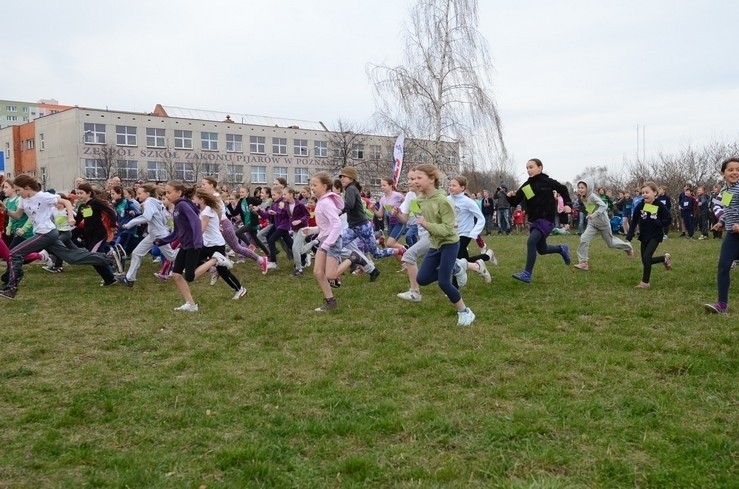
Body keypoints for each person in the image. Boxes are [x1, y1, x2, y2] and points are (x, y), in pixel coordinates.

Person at [0, 174, 118, 300]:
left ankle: (11, 287)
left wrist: (71, 217)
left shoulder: (43, 196)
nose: (17, 193)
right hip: (43, 233)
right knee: (71, 258)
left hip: (46, 233)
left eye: (19, 190)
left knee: (14, 253)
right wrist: (4, 209)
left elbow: (66, 201)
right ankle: (109, 257)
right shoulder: (24, 200)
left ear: (27, 187)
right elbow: (17, 215)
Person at [412, 164, 475, 326]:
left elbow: (448, 229)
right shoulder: (420, 199)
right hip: (435, 244)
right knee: (422, 278)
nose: (415, 181)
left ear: (432, 179)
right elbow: (411, 218)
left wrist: (427, 225)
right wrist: (399, 215)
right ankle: (458, 267)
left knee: (444, 282)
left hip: (450, 243)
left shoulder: (442, 201)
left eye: (419, 178)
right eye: (414, 178)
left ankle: (465, 312)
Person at [506, 158, 572, 284]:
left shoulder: (547, 181)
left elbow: (563, 189)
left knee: (531, 241)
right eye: (527, 168)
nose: (528, 170)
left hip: (546, 219)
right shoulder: (527, 185)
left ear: (540, 167)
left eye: (531, 167)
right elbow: (515, 201)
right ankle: (561, 248)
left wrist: (568, 204)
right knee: (542, 249)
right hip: (535, 221)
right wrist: (509, 197)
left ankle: (527, 274)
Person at [154, 181, 205, 312]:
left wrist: (198, 241)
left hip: (193, 244)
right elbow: (177, 232)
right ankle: (191, 305)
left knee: (189, 276)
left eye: (169, 192)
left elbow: (195, 222)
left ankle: (215, 259)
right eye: (165, 192)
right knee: (176, 274)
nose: (166, 195)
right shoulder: (176, 208)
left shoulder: (183, 205)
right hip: (185, 245)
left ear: (179, 193)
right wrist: (163, 241)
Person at [115, 184, 179, 286]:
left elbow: (147, 217)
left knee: (171, 256)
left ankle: (190, 251)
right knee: (136, 253)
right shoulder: (155, 202)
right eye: (137, 193)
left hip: (159, 235)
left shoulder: (149, 201)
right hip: (154, 234)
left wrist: (129, 224)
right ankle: (129, 279)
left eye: (140, 193)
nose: (138, 196)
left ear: (147, 193)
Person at [301, 172, 344, 312]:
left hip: (332, 241)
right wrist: (312, 230)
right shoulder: (321, 201)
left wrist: (327, 244)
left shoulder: (326, 203)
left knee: (331, 275)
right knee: (318, 272)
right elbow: (326, 226)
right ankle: (330, 302)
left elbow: (337, 225)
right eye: (311, 184)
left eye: (315, 185)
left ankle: (354, 259)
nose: (312, 187)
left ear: (324, 186)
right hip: (325, 240)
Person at [572, 178, 633, 271]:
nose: (580, 189)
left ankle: (628, 247)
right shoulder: (582, 197)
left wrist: (594, 214)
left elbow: (603, 206)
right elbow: (591, 207)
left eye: (582, 188)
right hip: (592, 223)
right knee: (584, 238)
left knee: (611, 243)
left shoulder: (592, 196)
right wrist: (589, 214)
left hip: (603, 223)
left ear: (588, 188)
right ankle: (583, 262)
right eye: (579, 187)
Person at [704, 157, 739, 314]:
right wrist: (722, 222)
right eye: (731, 170)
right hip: (732, 235)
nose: (735, 172)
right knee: (723, 266)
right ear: (723, 173)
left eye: (738, 170)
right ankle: (722, 305)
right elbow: (728, 210)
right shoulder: (725, 192)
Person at [625, 181, 672, 288]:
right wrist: (630, 233)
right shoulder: (640, 205)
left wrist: (659, 223)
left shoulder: (659, 205)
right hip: (644, 235)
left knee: (647, 257)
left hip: (655, 235)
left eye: (647, 192)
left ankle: (645, 283)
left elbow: (668, 219)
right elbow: (634, 220)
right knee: (645, 260)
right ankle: (664, 259)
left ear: (655, 193)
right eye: (643, 193)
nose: (644, 194)